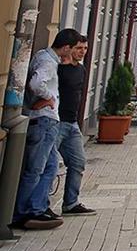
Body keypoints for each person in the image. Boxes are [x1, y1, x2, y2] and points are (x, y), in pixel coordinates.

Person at [12, 28, 80, 231]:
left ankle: (39, 207)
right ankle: (24, 213)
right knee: (36, 168)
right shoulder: (49, 62)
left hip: (46, 121)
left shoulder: (43, 56)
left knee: (51, 166)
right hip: (44, 121)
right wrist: (47, 98)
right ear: (66, 47)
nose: (75, 52)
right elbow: (35, 83)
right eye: (74, 48)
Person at [55, 34, 94, 216]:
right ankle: (40, 206)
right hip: (56, 122)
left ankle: (70, 203)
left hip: (72, 123)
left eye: (85, 49)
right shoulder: (59, 69)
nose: (82, 52)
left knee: (78, 162)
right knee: (49, 165)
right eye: (79, 48)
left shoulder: (81, 69)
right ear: (70, 48)